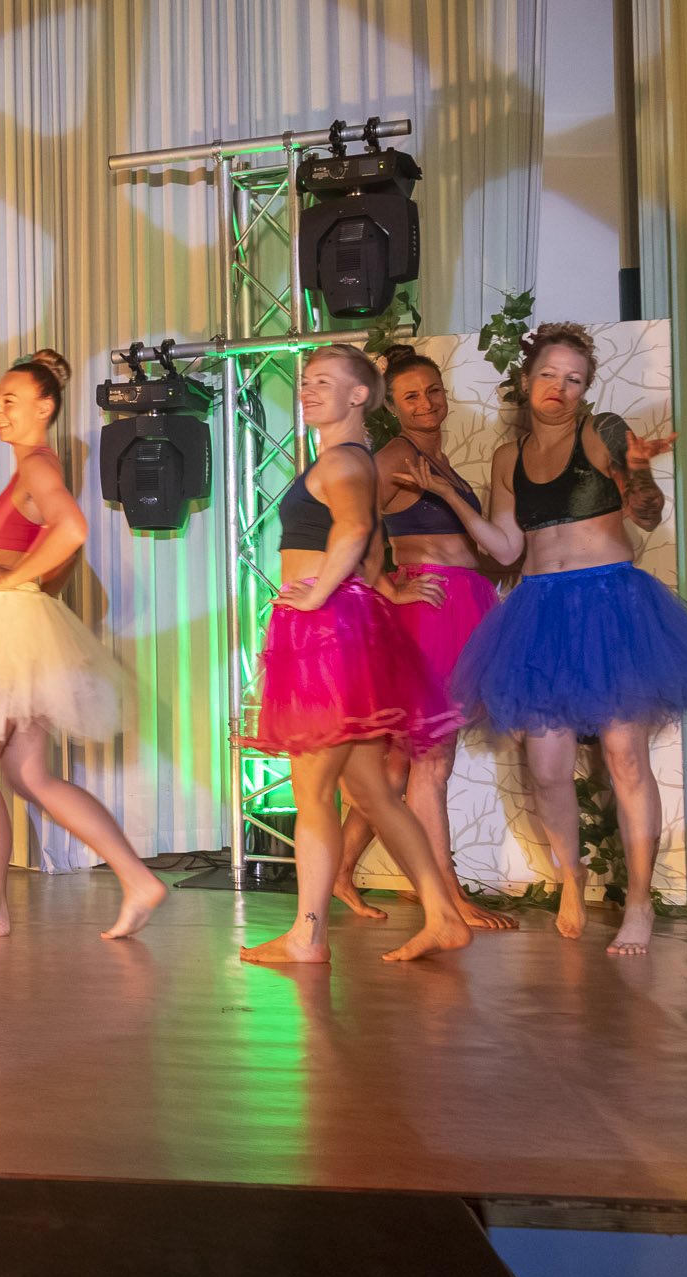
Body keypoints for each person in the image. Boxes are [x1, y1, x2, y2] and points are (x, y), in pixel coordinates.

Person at [448, 322, 687, 955]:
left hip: (611, 606)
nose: (559, 387)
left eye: (574, 379)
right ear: (526, 381)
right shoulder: (508, 458)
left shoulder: (603, 432)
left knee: (626, 759)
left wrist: (639, 475)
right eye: (548, 374)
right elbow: (508, 550)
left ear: (586, 389)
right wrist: (451, 502)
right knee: (546, 769)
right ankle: (572, 879)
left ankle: (639, 901)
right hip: (541, 611)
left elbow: (645, 511)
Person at [0, 349, 169, 940]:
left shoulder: (40, 466)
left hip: (3, 629)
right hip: (17, 630)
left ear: (44, 408)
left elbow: (73, 530)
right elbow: (60, 547)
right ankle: (137, 879)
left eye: (10, 400)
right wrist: (33, 588)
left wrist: (13, 582)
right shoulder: (33, 469)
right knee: (28, 773)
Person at [238, 343, 473, 964]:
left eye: (324, 380)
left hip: (326, 634)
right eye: (306, 380)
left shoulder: (343, 459)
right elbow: (369, 550)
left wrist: (317, 598)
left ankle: (307, 936)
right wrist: (381, 588)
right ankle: (443, 915)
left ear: (359, 395)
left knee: (314, 792)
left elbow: (355, 529)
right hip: (345, 627)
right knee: (373, 792)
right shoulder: (353, 458)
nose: (308, 389)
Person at [328, 346, 515, 931]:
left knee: (397, 767)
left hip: (462, 609)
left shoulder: (438, 461)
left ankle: (339, 871)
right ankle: (448, 896)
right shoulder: (393, 457)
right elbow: (350, 526)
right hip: (429, 611)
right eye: (411, 395)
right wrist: (389, 586)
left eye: (433, 390)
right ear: (393, 406)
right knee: (431, 762)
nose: (426, 402)